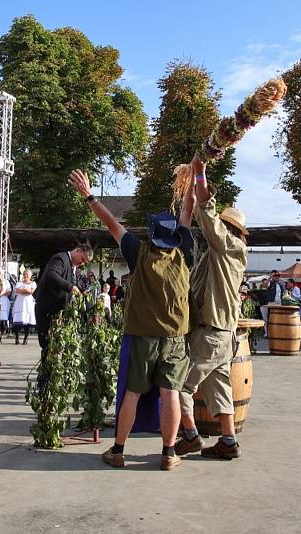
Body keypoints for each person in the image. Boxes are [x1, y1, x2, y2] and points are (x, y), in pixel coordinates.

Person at [69, 167, 193, 471]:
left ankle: (119, 450)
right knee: (171, 393)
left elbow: (111, 222)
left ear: (151, 234)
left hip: (142, 336)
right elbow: (188, 211)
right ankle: (168, 453)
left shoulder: (139, 251)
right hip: (175, 337)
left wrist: (88, 196)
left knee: (132, 393)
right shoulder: (185, 253)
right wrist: (194, 179)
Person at [174, 156, 247, 461]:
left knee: (178, 385)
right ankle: (228, 442)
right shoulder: (223, 254)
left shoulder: (228, 246)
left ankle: (190, 436)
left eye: (222, 227)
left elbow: (209, 213)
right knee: (220, 389)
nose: (214, 230)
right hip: (224, 337)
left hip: (210, 334)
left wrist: (200, 177)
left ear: (231, 231)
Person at [34, 243, 91, 378]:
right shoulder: (60, 259)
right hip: (46, 309)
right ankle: (45, 379)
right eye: (82, 259)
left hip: (57, 311)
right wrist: (70, 287)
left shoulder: (71, 266)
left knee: (55, 347)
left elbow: (74, 289)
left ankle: (50, 376)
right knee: (48, 346)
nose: (82, 263)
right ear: (78, 250)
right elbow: (51, 275)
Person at [12, 269, 36, 345]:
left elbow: (31, 292)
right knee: (18, 321)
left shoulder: (33, 283)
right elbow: (17, 290)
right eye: (24, 274)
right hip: (20, 303)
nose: (26, 276)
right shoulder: (19, 283)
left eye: (27, 274)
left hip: (28, 303)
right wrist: (25, 290)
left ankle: (26, 338)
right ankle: (17, 337)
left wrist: (24, 290)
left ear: (30, 276)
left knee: (27, 321)